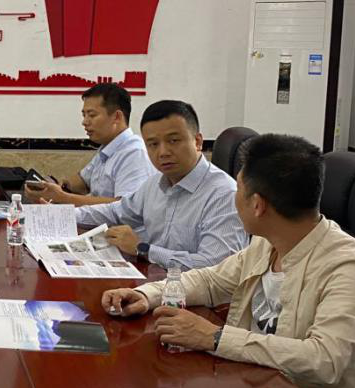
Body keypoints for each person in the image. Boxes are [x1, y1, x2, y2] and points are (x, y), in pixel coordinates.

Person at [102, 134, 355, 388]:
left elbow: (324, 360)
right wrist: (148, 295)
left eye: (238, 189)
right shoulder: (269, 243)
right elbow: (211, 281)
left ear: (257, 205)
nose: (233, 198)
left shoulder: (350, 269)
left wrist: (214, 337)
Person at [69, 99, 247, 270]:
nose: (162, 152)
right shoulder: (155, 184)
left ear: (198, 142)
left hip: (195, 291)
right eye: (153, 144)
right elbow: (116, 211)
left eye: (173, 141)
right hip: (156, 282)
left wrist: (143, 249)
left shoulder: (224, 195)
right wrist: (65, 216)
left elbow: (215, 266)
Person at [26, 82, 155, 207]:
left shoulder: (134, 153)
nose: (85, 122)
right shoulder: (106, 148)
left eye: (92, 115)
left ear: (117, 117)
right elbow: (82, 181)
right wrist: (54, 186)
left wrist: (62, 197)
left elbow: (124, 208)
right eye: (84, 115)